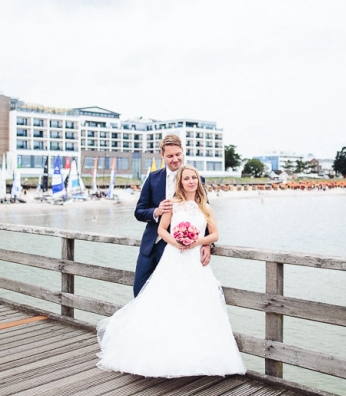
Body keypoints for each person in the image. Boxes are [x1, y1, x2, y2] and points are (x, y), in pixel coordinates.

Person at [96, 165, 246, 378]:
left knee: (197, 303)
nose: (191, 181)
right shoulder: (172, 205)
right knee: (168, 301)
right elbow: (160, 230)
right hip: (174, 258)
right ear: (181, 182)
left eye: (194, 178)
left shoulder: (206, 207)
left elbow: (214, 235)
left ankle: (198, 357)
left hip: (195, 262)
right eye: (187, 178)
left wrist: (196, 242)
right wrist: (176, 242)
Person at [133, 135, 210, 296]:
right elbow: (139, 212)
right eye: (170, 156)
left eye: (178, 154)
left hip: (179, 250)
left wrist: (207, 244)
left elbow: (204, 213)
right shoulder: (153, 178)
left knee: (170, 294)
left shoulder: (196, 180)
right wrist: (156, 211)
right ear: (162, 155)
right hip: (151, 244)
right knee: (139, 291)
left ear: (183, 152)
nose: (175, 159)